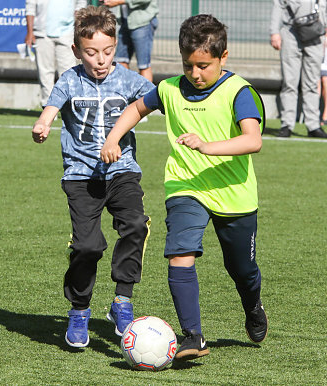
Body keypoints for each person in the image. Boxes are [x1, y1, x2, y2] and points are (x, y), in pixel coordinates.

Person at [101, 14, 268, 360]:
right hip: (185, 184)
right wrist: (114, 136)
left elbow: (253, 140)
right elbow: (137, 108)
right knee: (180, 255)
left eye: (204, 66)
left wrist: (207, 145)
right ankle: (193, 337)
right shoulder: (169, 88)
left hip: (233, 191)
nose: (195, 74)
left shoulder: (240, 92)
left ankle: (253, 306)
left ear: (223, 58)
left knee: (242, 270)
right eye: (189, 65)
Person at [32, 5, 153, 347]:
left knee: (136, 225)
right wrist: (42, 125)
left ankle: (122, 302)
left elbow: (158, 97)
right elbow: (51, 110)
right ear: (76, 50)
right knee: (87, 245)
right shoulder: (70, 79)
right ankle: (79, 310)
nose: (100, 59)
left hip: (122, 171)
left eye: (108, 51)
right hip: (81, 176)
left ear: (115, 48)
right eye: (91, 52)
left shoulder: (128, 79)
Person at [270, 0, 327, 138]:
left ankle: (313, 126)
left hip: (316, 33)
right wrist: (274, 32)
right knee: (289, 82)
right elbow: (278, 5)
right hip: (291, 32)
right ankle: (287, 125)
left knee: (312, 83)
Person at [25, 0, 87, 107]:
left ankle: (69, 105)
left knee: (69, 71)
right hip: (42, 33)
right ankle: (47, 106)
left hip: (68, 33)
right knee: (45, 72)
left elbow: (81, 5)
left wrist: (76, 26)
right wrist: (30, 32)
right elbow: (30, 8)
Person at [102, 0, 158, 82]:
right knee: (121, 61)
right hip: (125, 21)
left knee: (144, 65)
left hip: (142, 23)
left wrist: (118, 1)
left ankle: (147, 94)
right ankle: (126, 92)